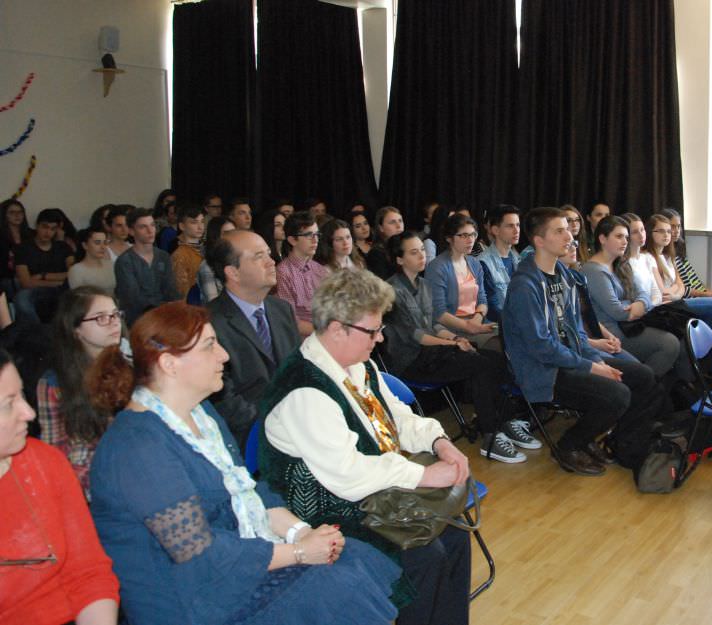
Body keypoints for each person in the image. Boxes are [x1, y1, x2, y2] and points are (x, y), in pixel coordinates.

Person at [87, 302, 401, 625]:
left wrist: (302, 534)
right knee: (338, 588)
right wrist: (299, 553)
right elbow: (201, 555)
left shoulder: (201, 414)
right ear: (170, 364)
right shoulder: (137, 448)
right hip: (193, 604)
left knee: (350, 559)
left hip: (234, 570)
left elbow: (248, 492)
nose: (224, 355)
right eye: (210, 346)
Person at [259, 269, 472, 625]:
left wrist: (438, 441)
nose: (380, 339)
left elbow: (398, 418)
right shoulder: (306, 388)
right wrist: (424, 475)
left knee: (454, 534)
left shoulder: (359, 364)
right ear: (337, 328)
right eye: (372, 331)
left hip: (369, 488)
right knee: (425, 555)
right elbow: (347, 476)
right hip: (324, 509)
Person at [503, 207, 670, 475]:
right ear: (539, 241)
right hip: (543, 370)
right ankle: (569, 445)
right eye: (559, 231)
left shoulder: (565, 276)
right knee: (618, 393)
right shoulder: (525, 285)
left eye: (568, 229)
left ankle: (622, 441)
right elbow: (541, 347)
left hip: (570, 359)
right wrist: (593, 367)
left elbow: (575, 333)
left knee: (644, 377)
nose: (568, 235)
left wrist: (594, 359)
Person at [384, 231, 532, 463]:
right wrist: (452, 342)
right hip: (412, 361)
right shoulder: (391, 290)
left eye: (422, 250)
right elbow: (417, 336)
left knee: (496, 359)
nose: (422, 255)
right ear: (399, 259)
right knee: (479, 365)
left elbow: (434, 324)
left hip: (434, 352)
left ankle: (502, 421)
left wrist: (455, 339)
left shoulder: (423, 284)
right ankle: (490, 436)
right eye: (414, 252)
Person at [0, 348, 121, 625]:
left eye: (22, 395)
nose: (29, 412)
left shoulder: (44, 462)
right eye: (9, 403)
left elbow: (88, 573)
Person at [206, 230, 301, 447]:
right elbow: (223, 399)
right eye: (259, 257)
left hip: (296, 425)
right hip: (251, 436)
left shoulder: (281, 309)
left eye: (269, 254)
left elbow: (299, 370)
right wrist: (274, 427)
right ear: (233, 272)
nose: (271, 262)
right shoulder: (209, 323)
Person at [36, 287, 122, 497]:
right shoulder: (54, 383)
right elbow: (56, 455)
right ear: (76, 329)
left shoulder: (130, 365)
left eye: (115, 315)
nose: (113, 322)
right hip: (90, 479)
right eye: (100, 318)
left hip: (131, 464)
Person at [581, 216, 687, 381]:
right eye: (619, 236)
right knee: (669, 344)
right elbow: (617, 312)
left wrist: (639, 303)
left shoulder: (621, 264)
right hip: (614, 333)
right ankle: (644, 386)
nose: (625, 241)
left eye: (626, 237)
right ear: (602, 239)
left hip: (633, 324)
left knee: (677, 337)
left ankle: (649, 387)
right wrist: (635, 305)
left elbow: (642, 293)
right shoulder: (593, 271)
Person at [642, 213, 712, 339]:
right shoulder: (648, 257)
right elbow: (663, 292)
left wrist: (676, 294)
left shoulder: (668, 256)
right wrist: (676, 292)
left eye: (668, 231)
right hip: (662, 306)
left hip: (675, 299)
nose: (667, 235)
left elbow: (680, 284)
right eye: (661, 231)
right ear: (650, 233)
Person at [424, 214, 497, 349]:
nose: (470, 240)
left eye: (473, 234)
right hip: (452, 328)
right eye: (463, 235)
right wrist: (469, 326)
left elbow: (482, 299)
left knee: (512, 335)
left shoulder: (475, 263)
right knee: (497, 345)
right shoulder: (437, 267)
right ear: (449, 238)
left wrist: (477, 318)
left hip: (476, 322)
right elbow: (439, 313)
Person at [114, 208, 180, 326]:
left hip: (165, 317)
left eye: (152, 225)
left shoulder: (163, 256)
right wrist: (164, 307)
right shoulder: (125, 261)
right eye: (143, 227)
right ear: (131, 231)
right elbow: (133, 298)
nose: (150, 231)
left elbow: (170, 289)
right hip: (138, 321)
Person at [14, 208, 74, 324]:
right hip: (36, 291)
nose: (48, 232)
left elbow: (73, 273)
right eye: (44, 227)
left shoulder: (63, 247)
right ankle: (36, 334)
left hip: (63, 290)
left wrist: (43, 275)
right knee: (22, 298)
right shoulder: (23, 249)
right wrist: (60, 281)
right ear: (37, 226)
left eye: (53, 229)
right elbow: (26, 282)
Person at [275, 211, 327, 337]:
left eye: (317, 234)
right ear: (292, 240)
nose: (315, 240)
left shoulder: (320, 269)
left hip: (327, 333)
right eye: (309, 235)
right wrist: (327, 333)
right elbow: (291, 321)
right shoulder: (283, 272)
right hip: (304, 341)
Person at [478, 204, 521, 322]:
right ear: (495, 230)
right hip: (497, 327)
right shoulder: (483, 262)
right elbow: (492, 308)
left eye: (518, 225)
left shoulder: (519, 260)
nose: (516, 230)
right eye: (510, 226)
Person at [170, 203, 207, 299]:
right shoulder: (180, 255)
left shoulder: (206, 248)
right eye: (194, 222)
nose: (200, 227)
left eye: (202, 221)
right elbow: (181, 291)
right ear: (182, 226)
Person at [197, 216, 237, 303]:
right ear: (215, 237)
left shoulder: (239, 261)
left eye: (234, 232)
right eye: (227, 233)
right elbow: (213, 302)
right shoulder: (207, 267)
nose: (233, 237)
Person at [67, 225, 116, 292]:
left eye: (105, 242)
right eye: (97, 243)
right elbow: (78, 299)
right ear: (85, 245)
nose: (103, 247)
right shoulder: (76, 270)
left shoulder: (111, 265)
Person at [366, 206, 404, 279]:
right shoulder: (376, 253)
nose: (399, 226)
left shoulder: (406, 247)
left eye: (400, 221)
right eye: (392, 222)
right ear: (381, 228)